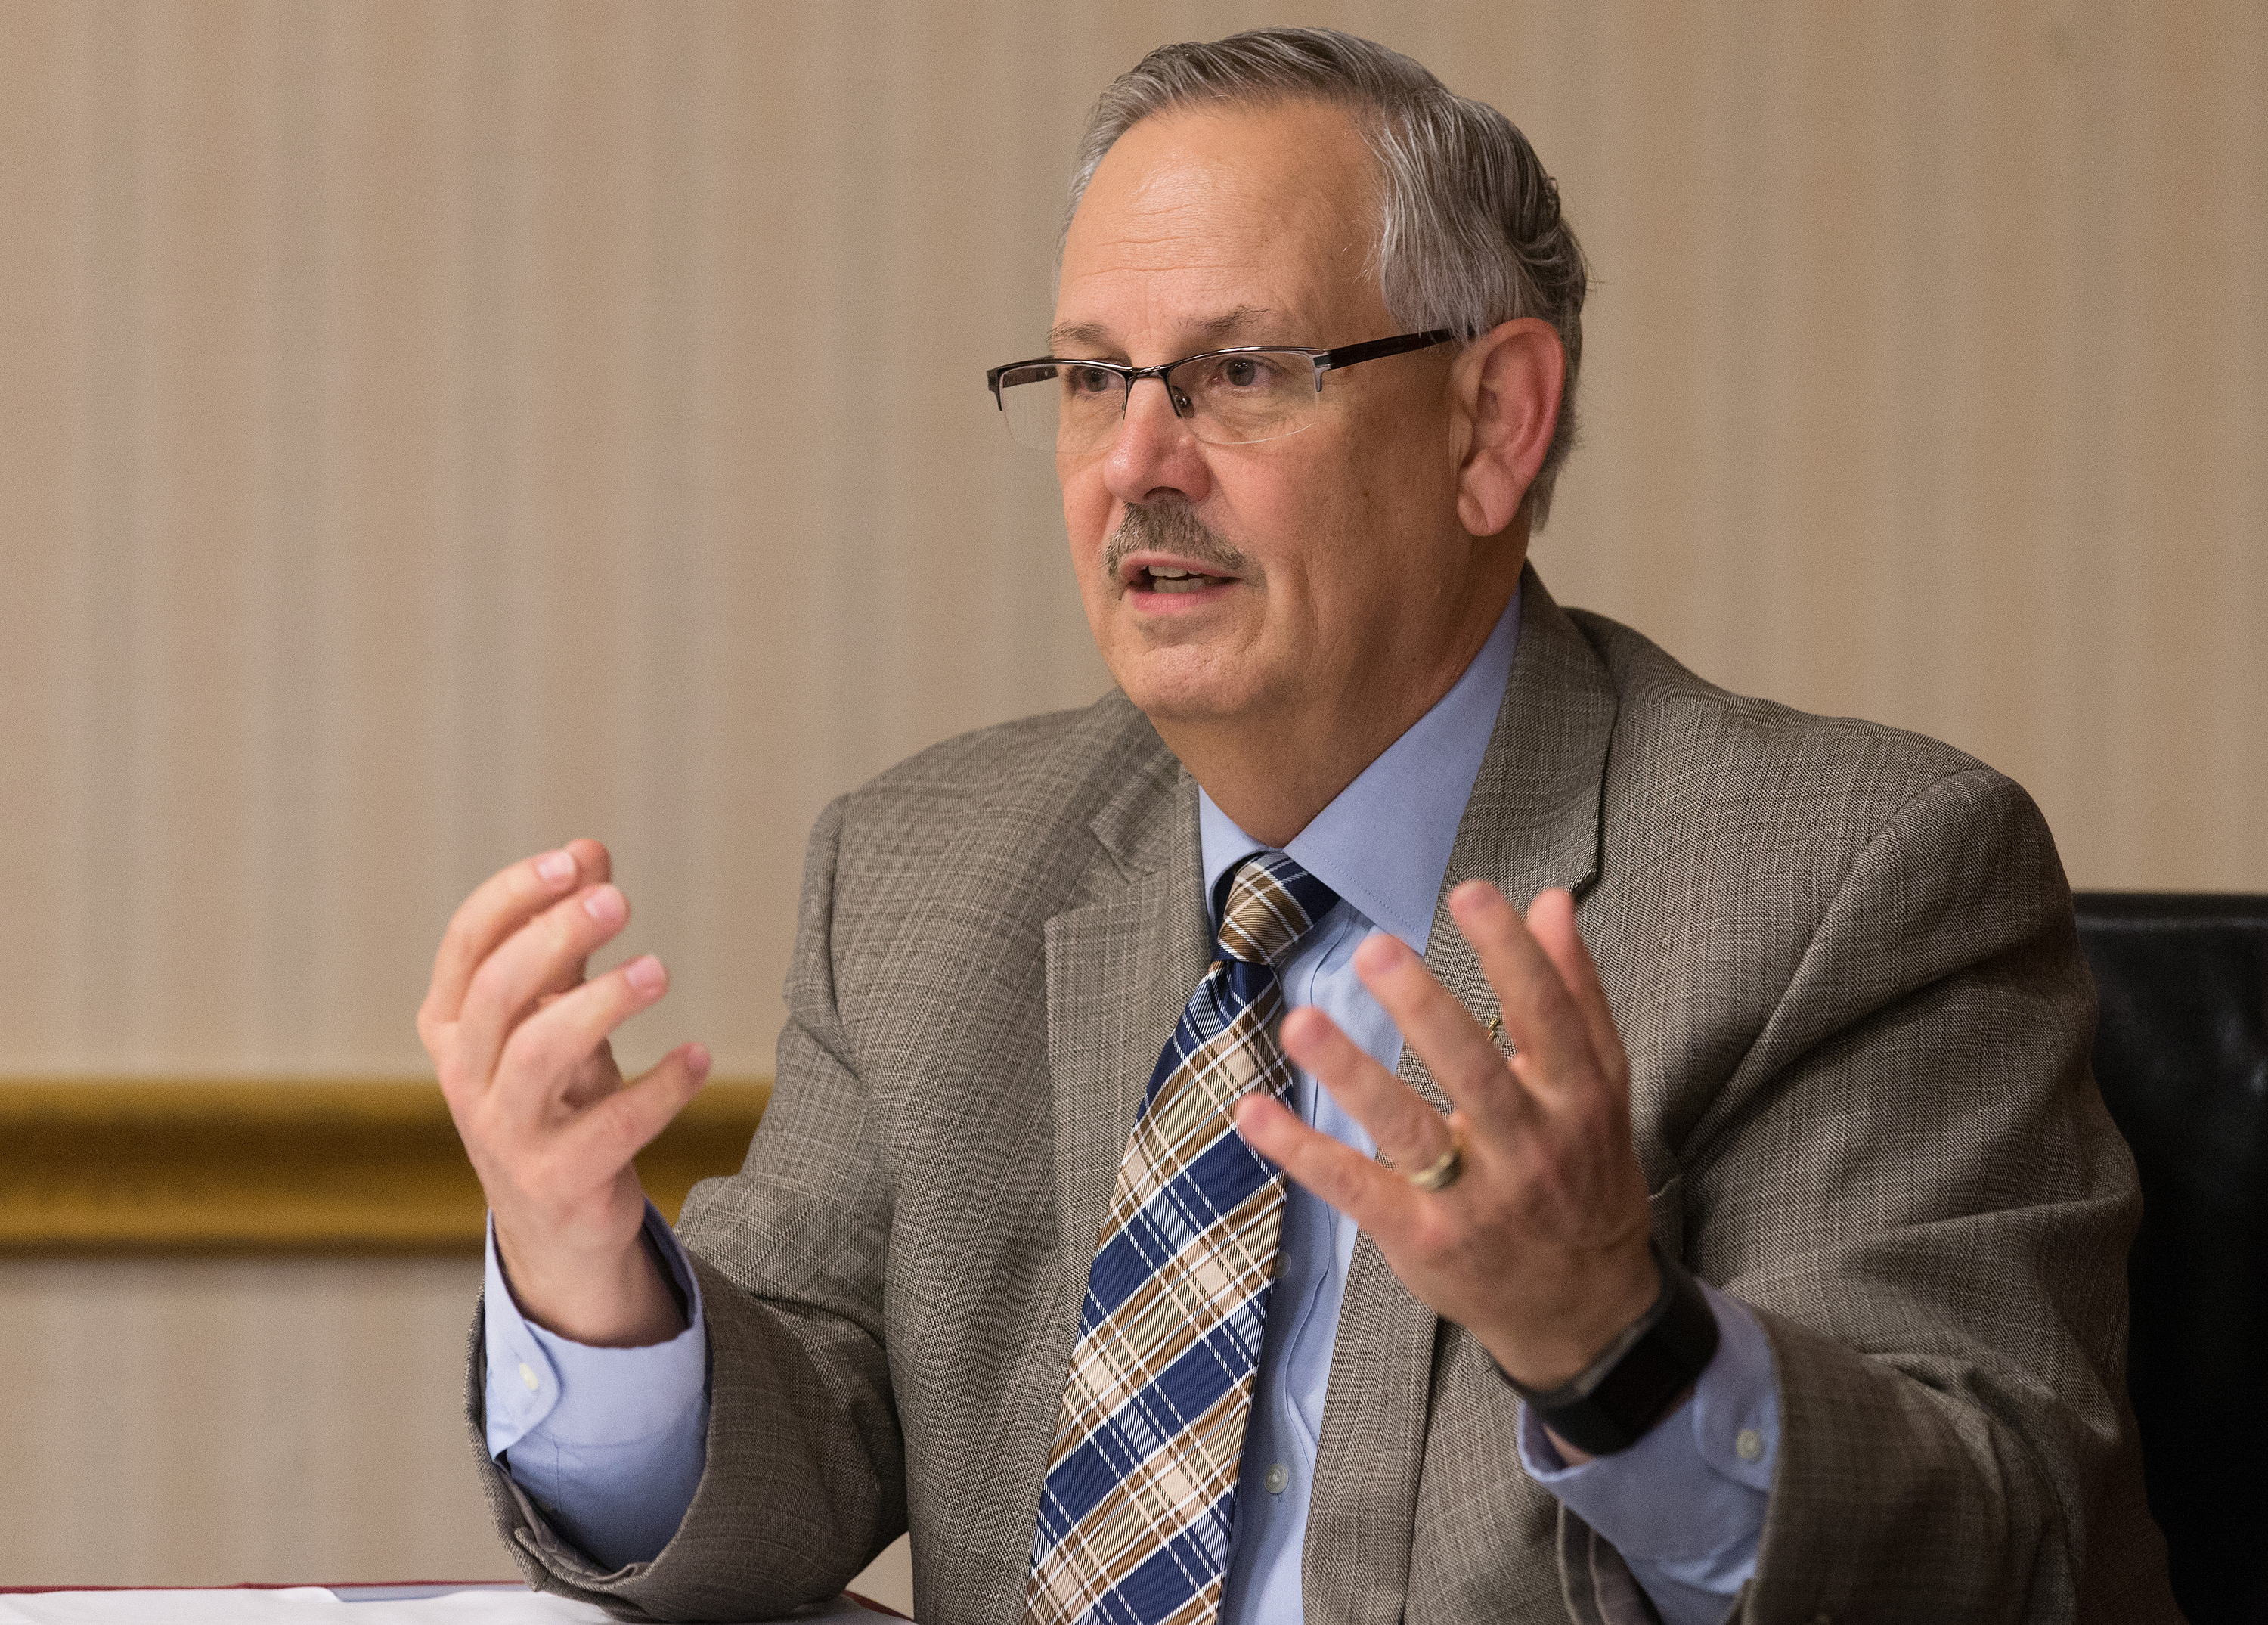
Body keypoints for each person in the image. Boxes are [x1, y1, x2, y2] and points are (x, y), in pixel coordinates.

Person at [418, 28, 2175, 1625]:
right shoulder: (925, 868)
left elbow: (2002, 1553)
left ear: (1494, 421)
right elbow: (776, 1482)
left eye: (1242, 373)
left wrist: (1612, 1345)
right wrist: (592, 1282)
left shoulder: (1852, 875)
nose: (1138, 463)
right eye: (1093, 379)